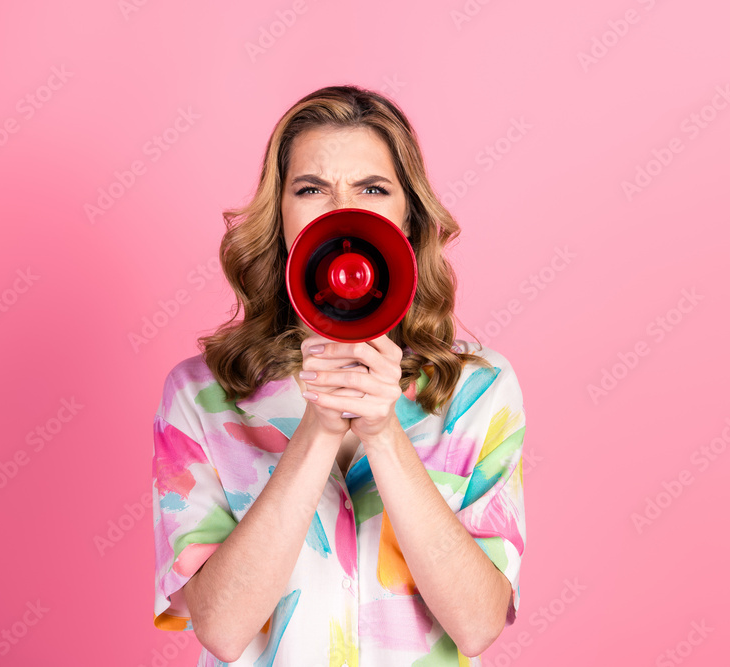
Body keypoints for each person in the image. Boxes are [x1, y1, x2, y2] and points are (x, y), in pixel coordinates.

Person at [151, 84, 527, 666]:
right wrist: (318, 430)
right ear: (280, 214)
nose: (341, 210)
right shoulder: (201, 396)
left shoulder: (481, 392)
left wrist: (382, 433)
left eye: (372, 189)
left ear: (409, 215)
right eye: (310, 189)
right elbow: (223, 631)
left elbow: (477, 624)